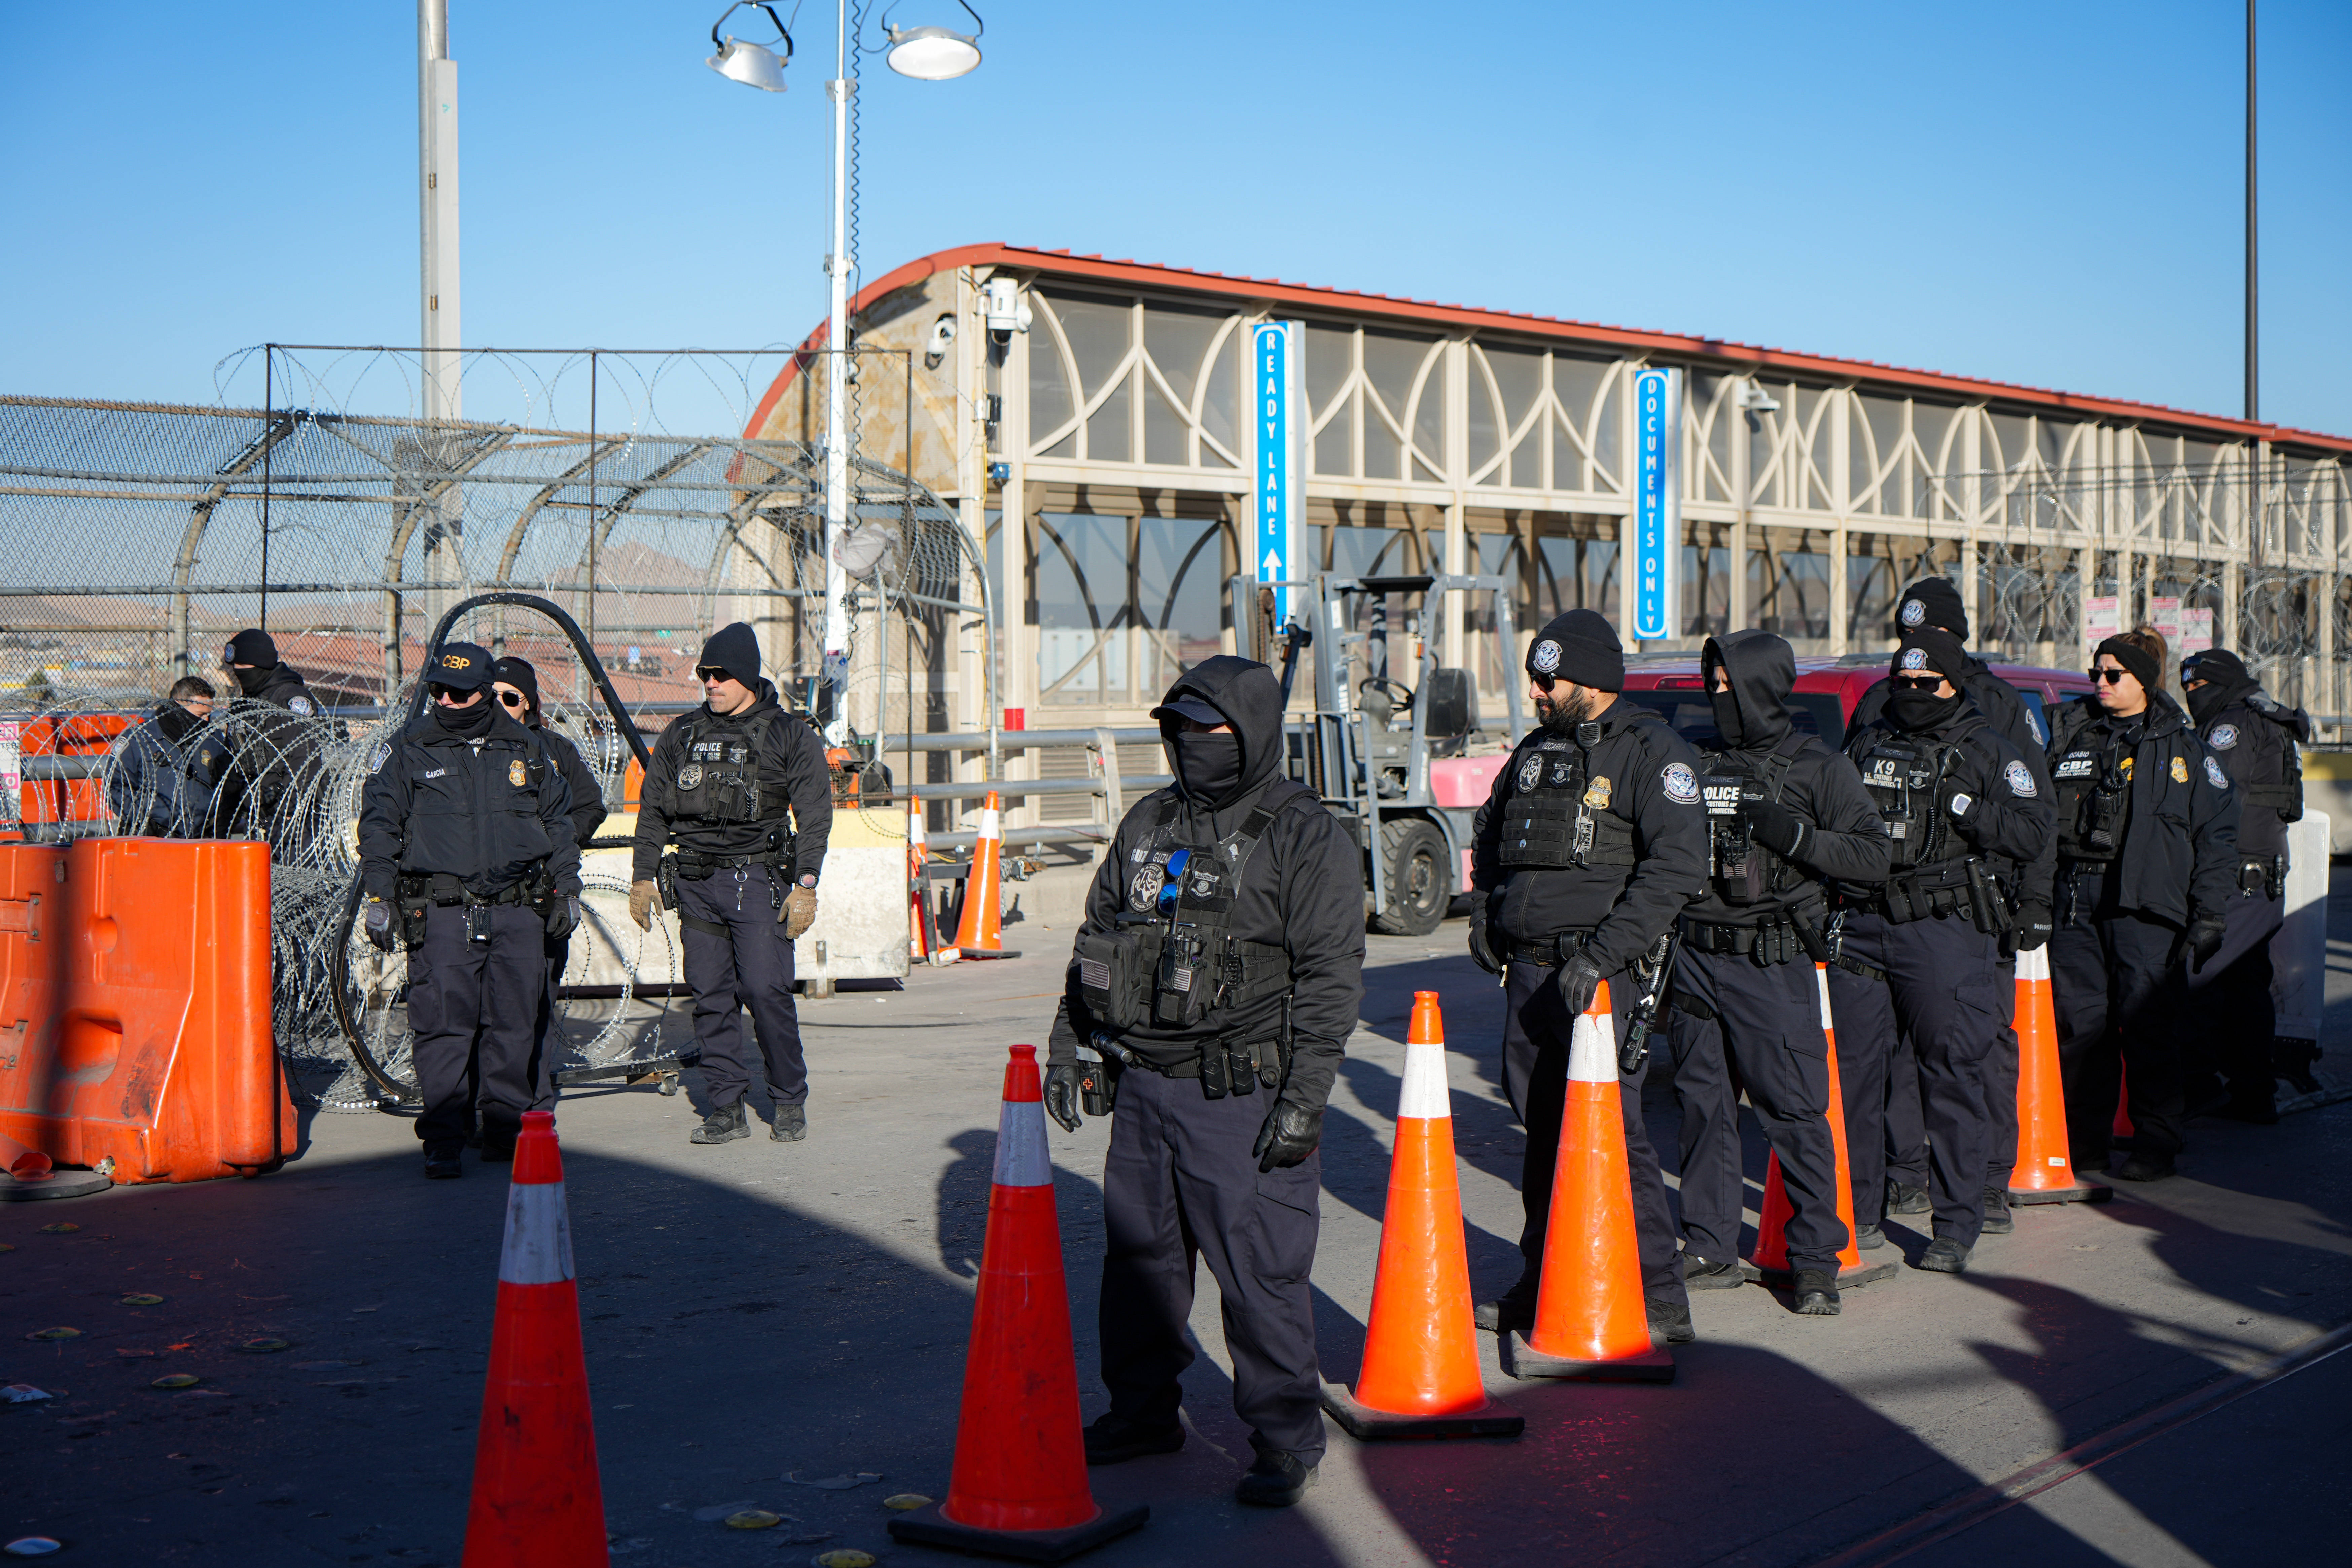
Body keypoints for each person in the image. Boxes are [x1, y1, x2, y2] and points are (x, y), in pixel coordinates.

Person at [1041, 655, 1362, 1509]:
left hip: (1241, 1094)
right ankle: (1142, 1412)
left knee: (1260, 1272)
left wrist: (1304, 1097)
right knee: (1139, 1266)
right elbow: (1097, 939)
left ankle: (1285, 1436)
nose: (1190, 745)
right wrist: (1070, 1043)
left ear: (1249, 734)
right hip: (1143, 1091)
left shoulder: (1302, 832)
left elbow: (1331, 975)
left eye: (1209, 731)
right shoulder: (1149, 823)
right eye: (1178, 728)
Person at [1465, 609, 1707, 1344]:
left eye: (1549, 680)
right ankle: (1542, 1278)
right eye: (1536, 679)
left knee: (1617, 1134)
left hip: (1601, 979)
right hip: (1531, 974)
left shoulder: (1652, 752)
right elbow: (1490, 833)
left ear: (1594, 683)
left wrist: (1602, 955)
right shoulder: (1538, 752)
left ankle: (1659, 1291)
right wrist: (1485, 913)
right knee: (1542, 1135)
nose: (1536, 693)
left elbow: (1677, 868)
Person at [1669, 631, 1890, 1315]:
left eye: (1729, 681)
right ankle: (1708, 1241)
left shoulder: (1816, 767)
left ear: (1763, 685)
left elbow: (1872, 855)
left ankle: (1817, 1257)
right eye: (1713, 681)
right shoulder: (1698, 761)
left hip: (1771, 960)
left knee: (1794, 1112)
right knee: (1704, 1108)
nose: (1718, 692)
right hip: (1696, 957)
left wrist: (1791, 835)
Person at [1828, 627, 2052, 1273]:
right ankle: (1861, 1214)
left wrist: (1962, 805)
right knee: (1857, 1079)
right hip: (1865, 924)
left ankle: (1957, 1223)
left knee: (1953, 1076)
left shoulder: (1989, 750)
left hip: (1945, 931)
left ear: (1955, 685)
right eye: (1902, 683)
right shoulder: (1869, 739)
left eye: (1928, 684)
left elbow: (2033, 832)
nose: (1912, 694)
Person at [356, 642, 581, 1177]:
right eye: (437, 690)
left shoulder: (525, 749)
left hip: (517, 910)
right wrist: (379, 896)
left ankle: (504, 1131)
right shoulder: (408, 749)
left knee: (513, 1026)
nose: (447, 700)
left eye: (460, 692)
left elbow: (559, 825)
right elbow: (380, 826)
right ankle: (444, 1138)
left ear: (484, 692)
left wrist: (568, 890)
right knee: (442, 1026)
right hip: (443, 912)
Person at [626, 624, 832, 1146]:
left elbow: (814, 814)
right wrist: (642, 876)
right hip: (696, 883)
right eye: (705, 674)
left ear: (746, 675)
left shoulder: (789, 734)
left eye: (720, 675)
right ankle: (726, 1106)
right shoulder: (682, 734)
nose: (710, 683)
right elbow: (651, 812)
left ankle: (788, 1098)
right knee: (712, 998)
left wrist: (806, 884)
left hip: (758, 881)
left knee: (766, 992)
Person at [2045, 628, 2239, 1181]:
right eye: (2096, 674)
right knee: (2083, 1029)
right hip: (2078, 905)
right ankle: (2087, 1143)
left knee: (2149, 1028)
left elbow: (2217, 836)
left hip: (2148, 908)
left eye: (2114, 675)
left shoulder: (2185, 748)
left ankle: (2156, 1140)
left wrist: (2209, 912)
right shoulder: (2071, 736)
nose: (2100, 684)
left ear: (2144, 681)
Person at [2178, 646, 2309, 1120]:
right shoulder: (2264, 715)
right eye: (2187, 688)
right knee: (2243, 988)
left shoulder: (2231, 725)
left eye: (2199, 687)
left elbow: (2213, 794)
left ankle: (2203, 1086)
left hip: (2235, 874)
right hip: (2258, 873)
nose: (2193, 695)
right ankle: (2252, 1092)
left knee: (2199, 977)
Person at [493, 656, 611, 1118]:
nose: (500, 706)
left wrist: (554, 841)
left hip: (539, 897)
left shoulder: (554, 751)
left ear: (529, 705)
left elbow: (589, 807)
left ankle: (534, 1104)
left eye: (511, 698)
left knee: (534, 1006)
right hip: (481, 901)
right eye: (492, 695)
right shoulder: (466, 749)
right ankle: (490, 1108)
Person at [214, 628, 324, 840]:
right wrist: (221, 826)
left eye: (242, 667)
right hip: (258, 819)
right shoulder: (244, 706)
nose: (236, 673)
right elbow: (234, 767)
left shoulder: (289, 698)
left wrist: (287, 817)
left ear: (260, 664)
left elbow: (306, 761)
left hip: (294, 822)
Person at [108, 677, 231, 838]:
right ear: (179, 706)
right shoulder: (140, 739)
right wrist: (150, 818)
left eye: (209, 715)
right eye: (201, 715)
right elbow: (115, 788)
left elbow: (226, 786)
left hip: (201, 838)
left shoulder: (212, 739)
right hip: (152, 838)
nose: (206, 722)